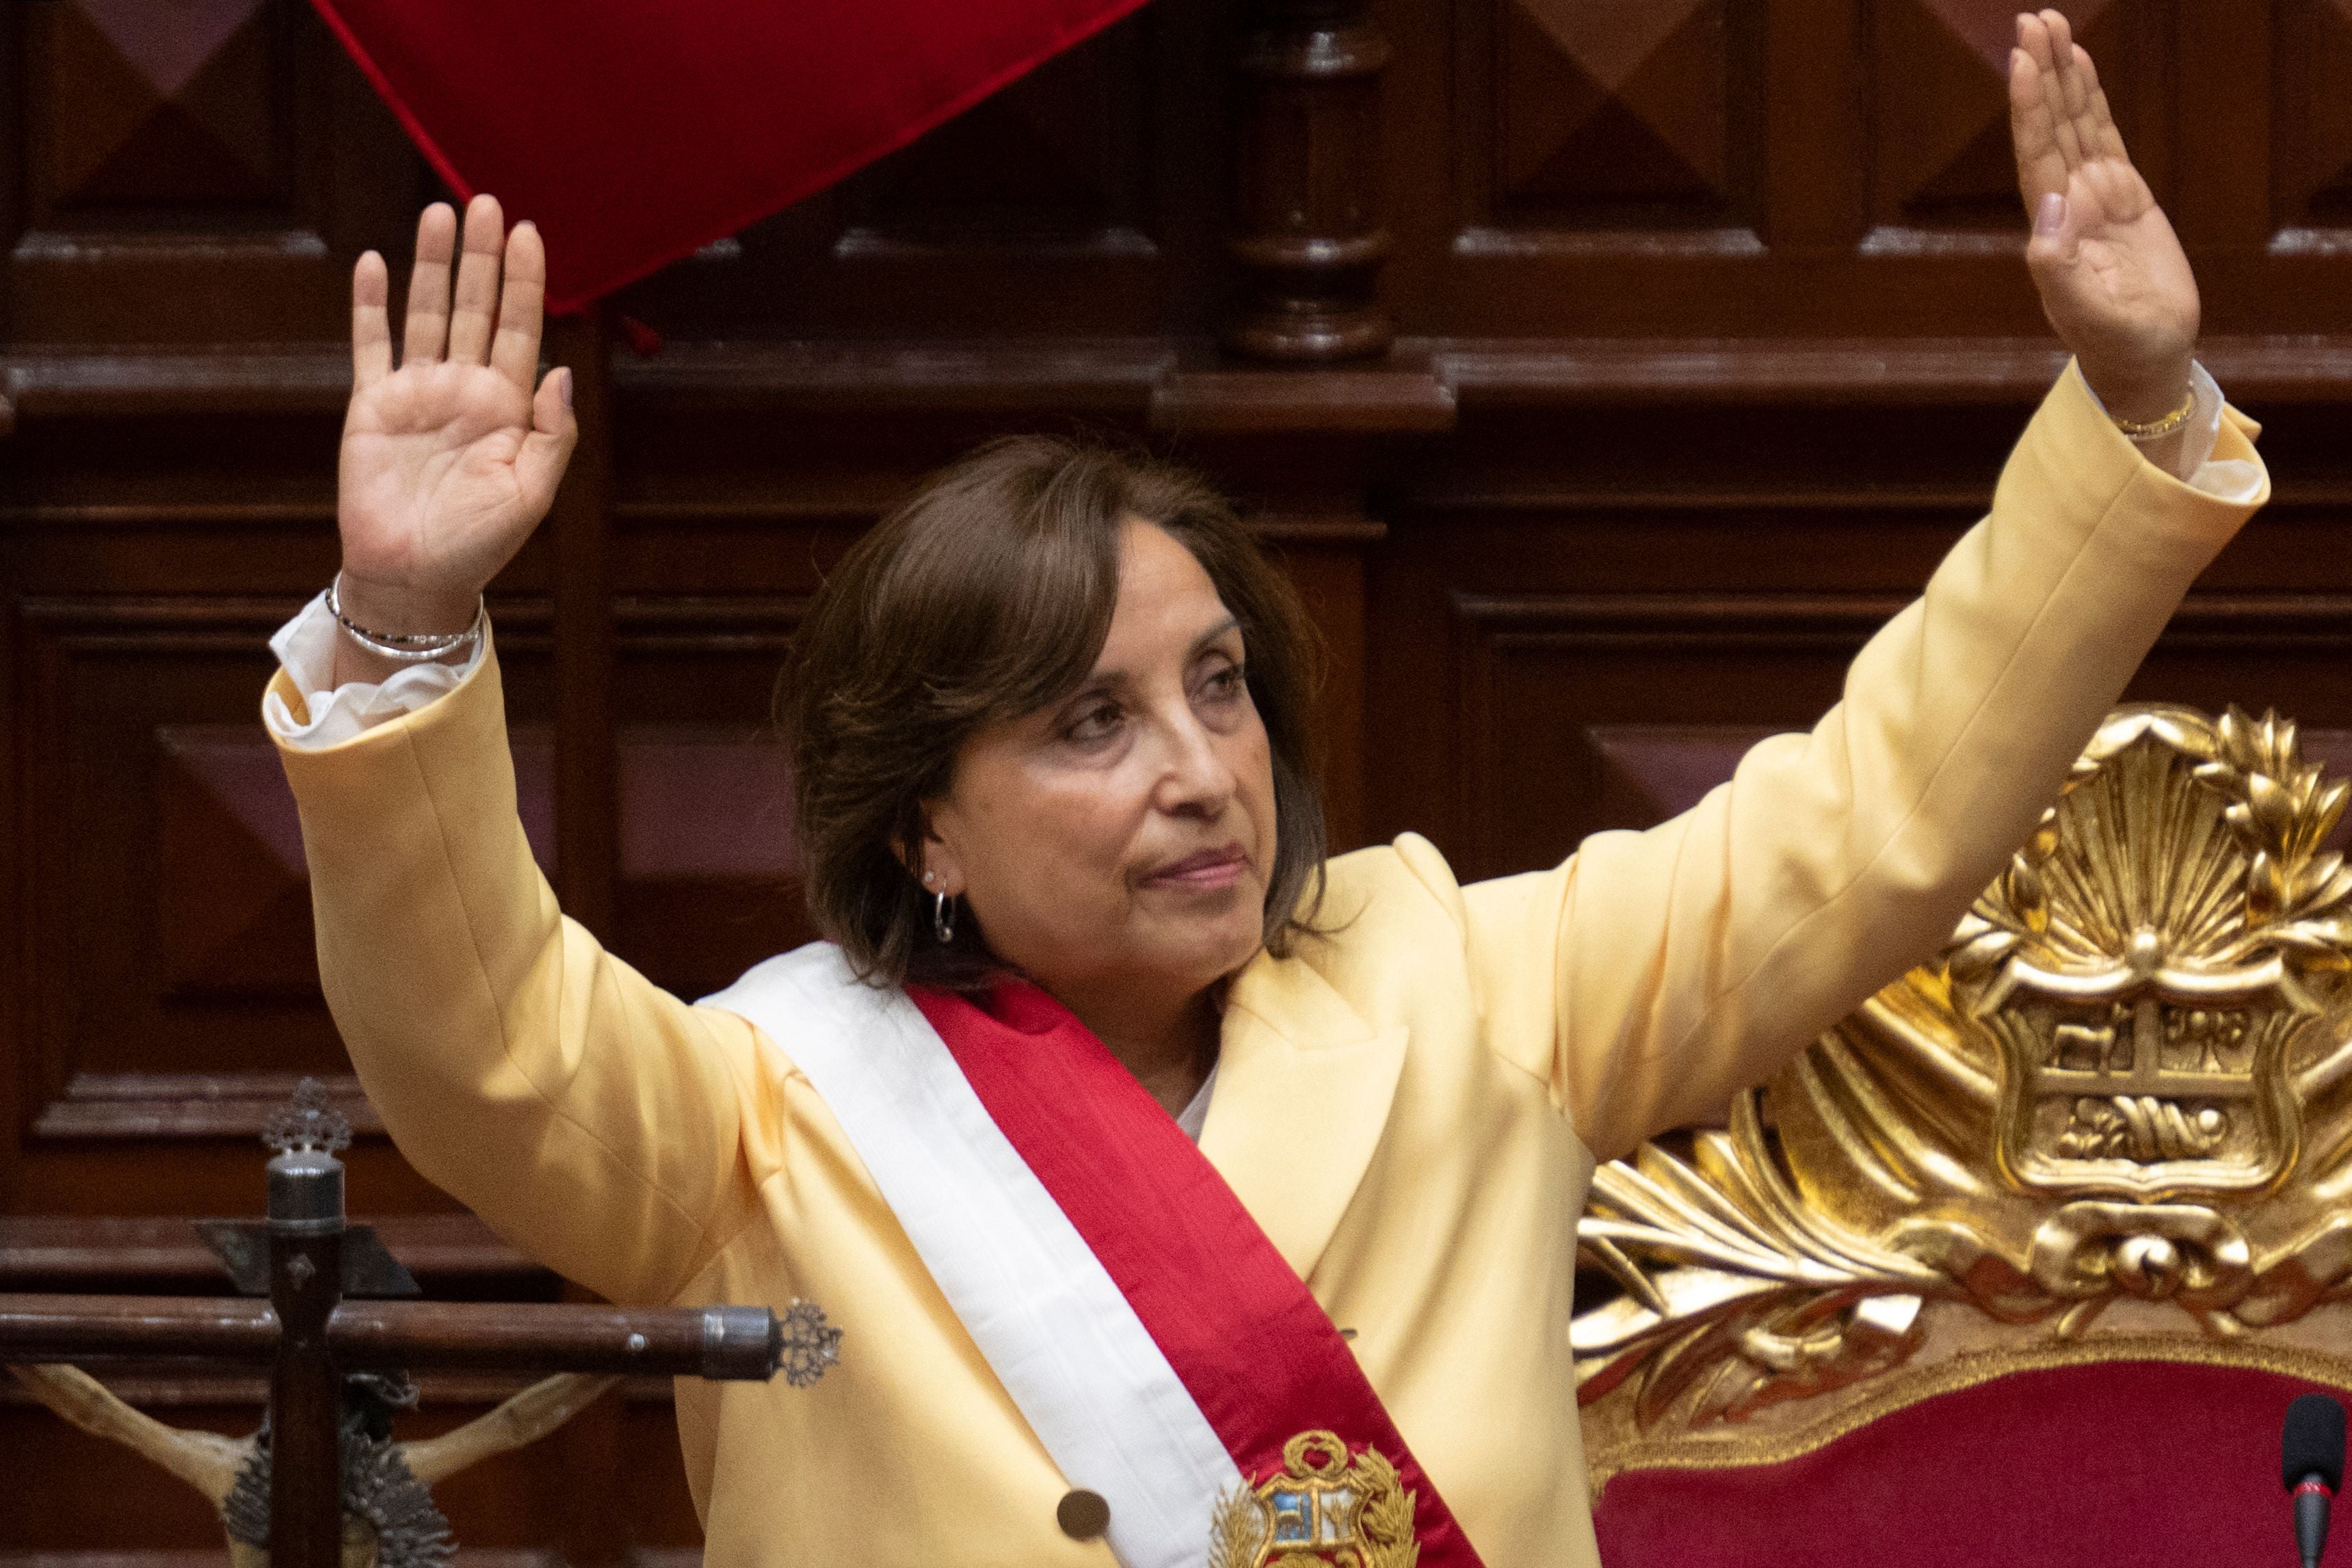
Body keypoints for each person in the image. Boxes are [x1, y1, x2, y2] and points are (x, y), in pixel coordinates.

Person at [266, 14, 2267, 1566]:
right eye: (1089, 723)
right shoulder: (765, 1114)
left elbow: (1873, 820)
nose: (1201, 772)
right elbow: (484, 1043)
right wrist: (404, 618)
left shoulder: (1474, 988)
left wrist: (2129, 409)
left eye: (1217, 687)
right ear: (921, 829)